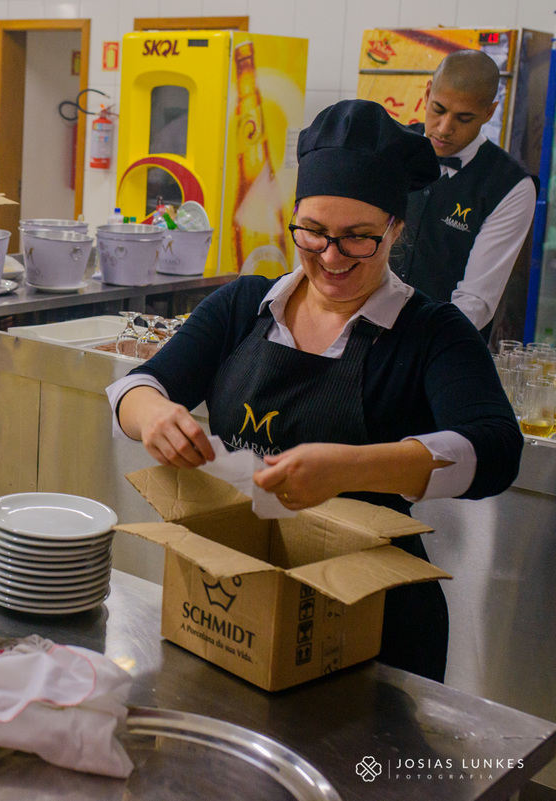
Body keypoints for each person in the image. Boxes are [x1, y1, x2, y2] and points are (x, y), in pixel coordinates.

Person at [108, 99, 523, 683]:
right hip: (234, 596)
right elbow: (136, 386)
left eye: (359, 239)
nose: (330, 257)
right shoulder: (243, 306)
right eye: (313, 233)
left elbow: (496, 451)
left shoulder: (432, 333)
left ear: (395, 229)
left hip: (375, 626)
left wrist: (350, 469)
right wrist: (151, 414)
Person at [390, 49, 538, 338]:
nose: (444, 129)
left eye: (464, 118)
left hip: (443, 347)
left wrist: (416, 345)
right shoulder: (391, 147)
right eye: (439, 109)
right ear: (429, 91)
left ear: (489, 112)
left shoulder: (511, 186)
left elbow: (476, 302)